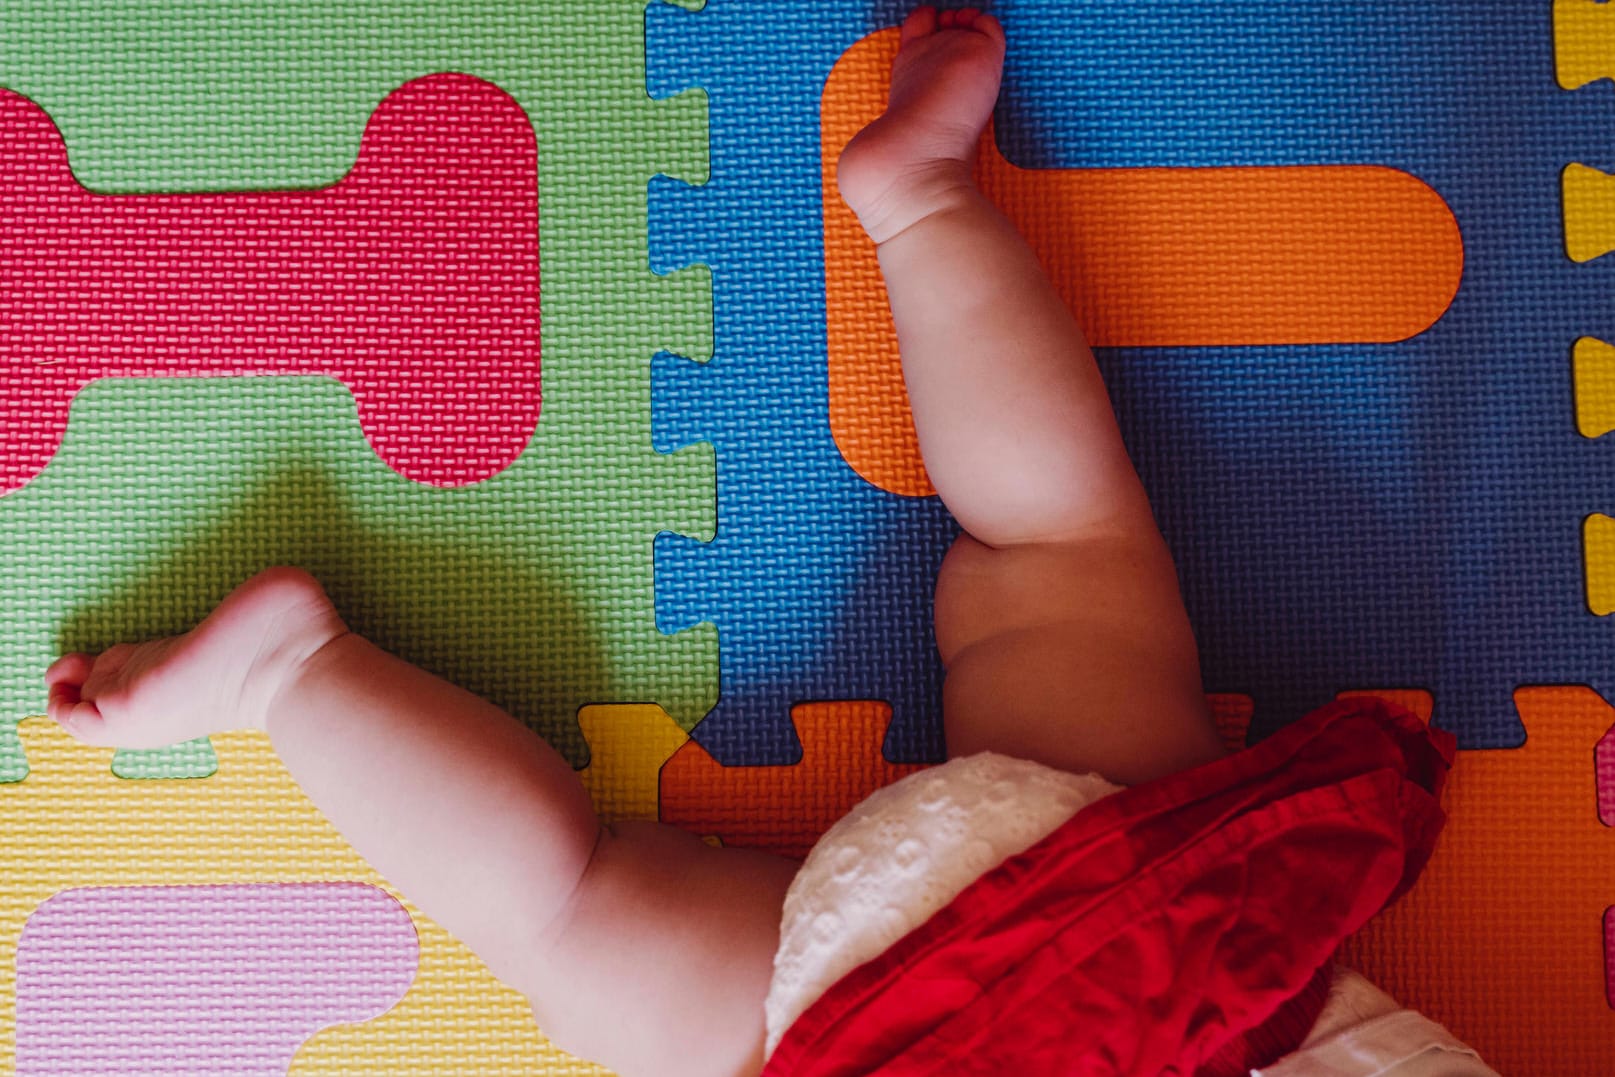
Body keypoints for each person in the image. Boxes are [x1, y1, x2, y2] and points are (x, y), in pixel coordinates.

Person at [45, 7, 1496, 1075]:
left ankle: (920, 198)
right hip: (885, 1035)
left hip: (1119, 922)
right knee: (569, 906)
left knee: (1056, 544)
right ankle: (291, 679)